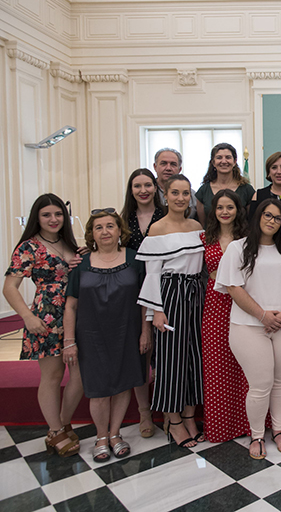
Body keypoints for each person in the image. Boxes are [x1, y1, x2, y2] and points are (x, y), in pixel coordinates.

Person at [215, 199, 281, 459]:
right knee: (260, 383)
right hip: (248, 326)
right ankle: (257, 435)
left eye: (277, 218)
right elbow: (234, 287)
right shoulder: (238, 248)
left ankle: (278, 430)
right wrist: (263, 315)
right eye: (267, 215)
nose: (271, 221)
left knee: (280, 379)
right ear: (258, 216)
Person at [63, 209, 149, 462]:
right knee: (99, 388)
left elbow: (145, 300)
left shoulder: (135, 259)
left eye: (110, 226)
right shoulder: (82, 265)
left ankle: (115, 434)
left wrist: (146, 332)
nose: (105, 232)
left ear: (120, 230)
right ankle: (101, 436)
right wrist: (69, 341)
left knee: (123, 384)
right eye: (99, 228)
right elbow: (71, 305)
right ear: (91, 234)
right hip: (92, 335)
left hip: (127, 332)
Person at [3, 194, 83, 457]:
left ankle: (62, 422)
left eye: (58, 214)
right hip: (46, 317)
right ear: (37, 217)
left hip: (76, 315)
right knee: (53, 376)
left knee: (80, 376)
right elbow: (9, 287)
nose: (53, 219)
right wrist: (27, 316)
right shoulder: (29, 247)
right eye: (47, 215)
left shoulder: (70, 243)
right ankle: (55, 430)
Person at [136, 174, 205, 448]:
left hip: (195, 294)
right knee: (171, 360)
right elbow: (152, 275)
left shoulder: (196, 225)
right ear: (165, 196)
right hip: (171, 294)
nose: (180, 198)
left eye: (185, 193)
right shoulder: (157, 229)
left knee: (194, 357)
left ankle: (190, 416)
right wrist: (157, 312)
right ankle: (173, 420)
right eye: (175, 193)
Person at [201, 190, 251, 442]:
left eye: (229, 207)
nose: (224, 212)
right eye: (220, 207)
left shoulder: (248, 238)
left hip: (243, 301)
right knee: (217, 365)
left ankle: (249, 424)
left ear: (237, 210)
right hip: (214, 303)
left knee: (246, 363)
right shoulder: (204, 238)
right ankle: (222, 427)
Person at [121, 168, 165, 438]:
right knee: (141, 350)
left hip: (162, 288)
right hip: (131, 288)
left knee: (163, 352)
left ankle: (166, 408)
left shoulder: (165, 216)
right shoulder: (123, 218)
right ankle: (144, 412)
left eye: (148, 185)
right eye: (137, 186)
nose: (143, 190)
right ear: (131, 189)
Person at [196, 143, 255, 227]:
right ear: (213, 162)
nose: (224, 161)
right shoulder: (203, 190)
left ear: (234, 162)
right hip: (211, 238)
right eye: (219, 157)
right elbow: (203, 224)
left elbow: (252, 220)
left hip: (241, 238)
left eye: (228, 157)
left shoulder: (247, 189)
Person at [153, 148, 199, 221]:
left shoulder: (192, 195)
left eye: (173, 164)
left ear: (180, 169)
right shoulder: (149, 192)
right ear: (155, 167)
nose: (168, 168)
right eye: (163, 163)